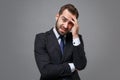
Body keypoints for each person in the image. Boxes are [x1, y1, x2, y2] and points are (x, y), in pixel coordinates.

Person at [34, 4, 87, 80]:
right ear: (57, 17)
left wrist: (75, 35)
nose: (65, 26)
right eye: (64, 19)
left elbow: (81, 65)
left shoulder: (76, 38)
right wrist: (72, 66)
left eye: (70, 23)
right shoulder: (41, 38)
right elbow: (46, 71)